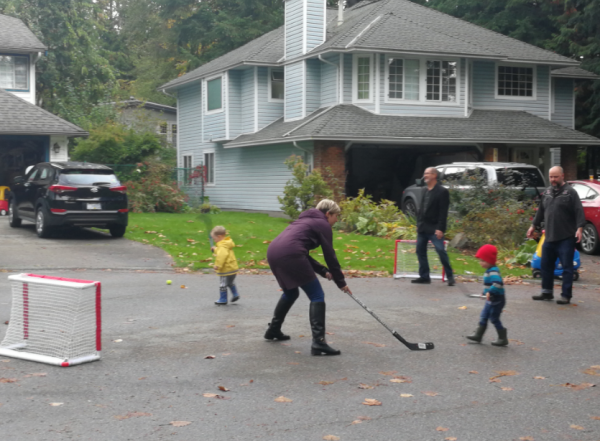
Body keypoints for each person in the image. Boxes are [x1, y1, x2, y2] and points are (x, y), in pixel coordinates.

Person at [264, 199, 352, 356]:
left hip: (273, 253)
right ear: (328, 214)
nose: (337, 220)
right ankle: (319, 342)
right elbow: (330, 255)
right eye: (336, 216)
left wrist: (322, 271)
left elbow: (299, 250)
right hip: (289, 255)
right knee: (317, 295)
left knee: (291, 292)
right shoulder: (323, 224)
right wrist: (341, 282)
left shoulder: (304, 221)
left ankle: (273, 330)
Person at [526, 166, 585, 305]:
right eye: (551, 177)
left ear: (562, 176)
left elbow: (579, 212)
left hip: (566, 237)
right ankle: (546, 292)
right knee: (545, 265)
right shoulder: (547, 192)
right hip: (549, 237)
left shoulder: (570, 193)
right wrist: (533, 226)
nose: (552, 179)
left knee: (567, 268)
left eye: (555, 177)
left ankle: (566, 295)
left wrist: (580, 229)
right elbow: (540, 211)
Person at [411, 167, 455, 286]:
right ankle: (424, 277)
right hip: (422, 227)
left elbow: (443, 212)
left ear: (434, 175)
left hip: (435, 228)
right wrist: (418, 224)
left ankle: (450, 276)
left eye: (428, 173)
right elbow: (421, 209)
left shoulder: (442, 192)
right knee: (420, 251)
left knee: (441, 251)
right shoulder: (424, 190)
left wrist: (440, 229)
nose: (425, 175)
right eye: (424, 173)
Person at [466, 244, 508, 346]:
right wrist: (484, 293)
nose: (481, 263)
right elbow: (489, 286)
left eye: (483, 261)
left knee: (494, 318)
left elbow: (498, 284)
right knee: (484, 316)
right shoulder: (489, 271)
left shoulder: (493, 271)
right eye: (480, 260)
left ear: (490, 261)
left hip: (497, 299)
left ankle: (503, 338)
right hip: (491, 299)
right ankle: (478, 335)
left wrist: (490, 292)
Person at [211, 226, 240, 305]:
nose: (215, 240)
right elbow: (222, 251)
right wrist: (215, 249)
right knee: (230, 282)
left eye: (215, 239)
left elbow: (221, 256)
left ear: (219, 236)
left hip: (225, 269)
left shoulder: (222, 246)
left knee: (223, 284)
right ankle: (235, 294)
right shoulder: (227, 243)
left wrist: (217, 265)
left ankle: (223, 299)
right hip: (232, 268)